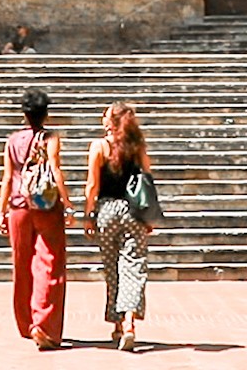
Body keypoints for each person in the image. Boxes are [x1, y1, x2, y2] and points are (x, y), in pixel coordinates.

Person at [0, 88, 75, 351]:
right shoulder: (49, 138)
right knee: (49, 263)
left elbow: (7, 178)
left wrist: (0, 211)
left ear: (24, 114)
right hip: (45, 204)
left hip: (18, 205)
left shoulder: (12, 141)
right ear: (46, 113)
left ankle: (25, 322)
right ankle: (43, 324)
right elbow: (55, 167)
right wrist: (67, 203)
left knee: (21, 263)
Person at [83, 102, 155, 352]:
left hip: (107, 211)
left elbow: (92, 184)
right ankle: (128, 323)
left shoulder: (99, 147)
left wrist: (88, 214)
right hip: (134, 212)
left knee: (112, 268)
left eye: (104, 115)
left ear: (111, 122)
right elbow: (147, 180)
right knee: (134, 267)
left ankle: (116, 322)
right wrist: (148, 216)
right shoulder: (137, 148)